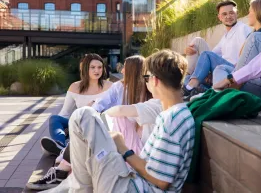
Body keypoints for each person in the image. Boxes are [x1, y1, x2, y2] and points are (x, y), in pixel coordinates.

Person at [45, 49, 194, 193]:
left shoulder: (173, 119)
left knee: (83, 116)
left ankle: (73, 184)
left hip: (134, 187)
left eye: (146, 78)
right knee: (86, 121)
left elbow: (161, 180)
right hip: (133, 179)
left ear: (155, 80)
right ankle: (74, 186)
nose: (145, 82)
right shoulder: (174, 114)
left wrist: (123, 149)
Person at [27, 56, 162, 191]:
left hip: (127, 140)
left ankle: (63, 160)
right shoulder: (118, 86)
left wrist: (98, 115)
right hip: (113, 131)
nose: (122, 71)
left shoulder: (147, 93)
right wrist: (92, 113)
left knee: (95, 127)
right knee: (77, 122)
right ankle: (63, 156)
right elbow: (100, 103)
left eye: (125, 68)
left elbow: (125, 114)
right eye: (93, 67)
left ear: (133, 70)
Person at [40, 54, 112, 156]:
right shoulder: (74, 87)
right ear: (86, 69)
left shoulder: (109, 86)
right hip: (79, 121)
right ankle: (60, 145)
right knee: (55, 119)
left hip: (100, 123)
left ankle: (63, 150)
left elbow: (116, 108)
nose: (97, 70)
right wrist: (65, 127)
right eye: (93, 67)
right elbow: (65, 113)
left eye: (99, 67)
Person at [183, 0, 252, 100]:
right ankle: (197, 88)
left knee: (205, 57)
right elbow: (212, 55)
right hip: (220, 72)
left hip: (233, 71)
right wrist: (189, 52)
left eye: (231, 13)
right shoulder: (225, 36)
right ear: (219, 17)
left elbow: (247, 53)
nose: (228, 16)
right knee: (196, 43)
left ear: (237, 13)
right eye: (224, 14)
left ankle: (189, 87)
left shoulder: (242, 29)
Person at [212, 0, 261, 86]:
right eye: (224, 14)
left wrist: (231, 79)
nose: (248, 15)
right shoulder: (253, 34)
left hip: (255, 79)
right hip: (242, 75)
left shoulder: (259, 36)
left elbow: (253, 64)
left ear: (259, 13)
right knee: (219, 68)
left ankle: (218, 94)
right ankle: (217, 93)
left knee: (221, 69)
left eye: (250, 11)